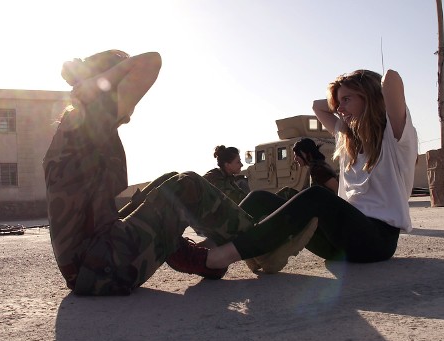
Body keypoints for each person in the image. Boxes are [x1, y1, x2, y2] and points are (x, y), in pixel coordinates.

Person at [43, 49, 318, 296]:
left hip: (94, 263)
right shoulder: (92, 114)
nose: (133, 103)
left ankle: (200, 257)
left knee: (166, 182)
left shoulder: (77, 127)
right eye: (126, 89)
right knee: (186, 185)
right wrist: (94, 83)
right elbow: (151, 61)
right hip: (102, 266)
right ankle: (260, 248)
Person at [241, 69, 418, 270]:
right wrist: (345, 98)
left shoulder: (395, 138)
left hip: (375, 242)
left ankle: (231, 253)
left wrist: (364, 89)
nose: (339, 109)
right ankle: (212, 247)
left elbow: (391, 78)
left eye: (346, 100)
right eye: (338, 103)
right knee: (258, 199)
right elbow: (317, 106)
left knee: (316, 196)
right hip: (337, 244)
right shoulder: (347, 139)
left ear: (369, 97)